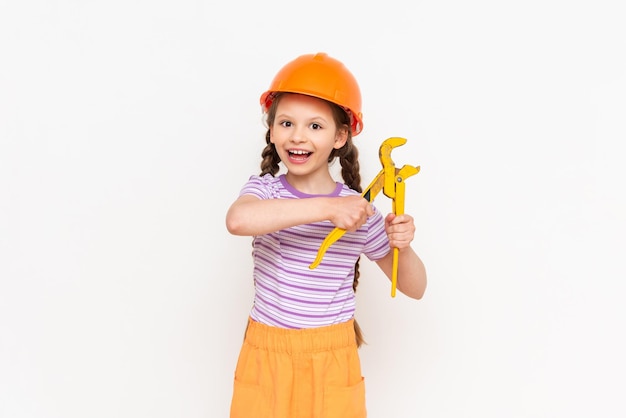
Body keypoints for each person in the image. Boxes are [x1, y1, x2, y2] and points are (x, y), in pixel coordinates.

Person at [225, 52, 427, 418]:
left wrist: (404, 247)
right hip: (266, 354)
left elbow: (415, 287)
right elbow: (238, 221)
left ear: (341, 136)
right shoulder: (265, 191)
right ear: (271, 131)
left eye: (315, 126)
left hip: (333, 357)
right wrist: (326, 208)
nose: (297, 136)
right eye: (286, 123)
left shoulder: (359, 210)